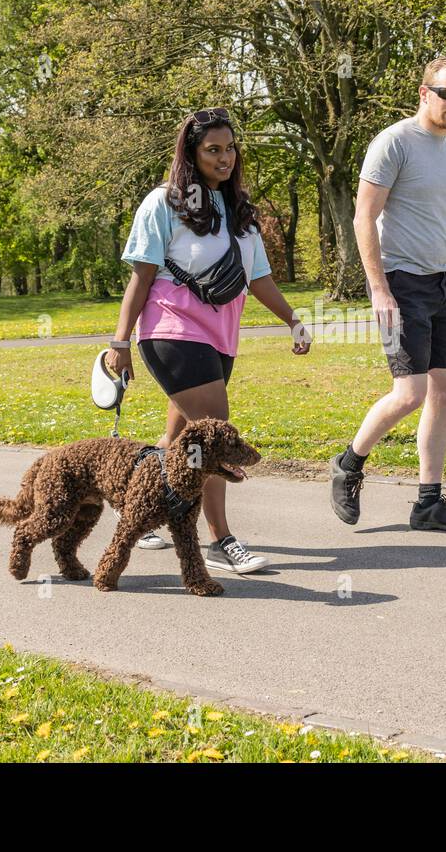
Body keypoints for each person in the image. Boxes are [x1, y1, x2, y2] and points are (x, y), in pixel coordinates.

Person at [108, 106, 311, 571]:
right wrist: (119, 342)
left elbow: (258, 278)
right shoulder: (163, 202)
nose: (224, 158)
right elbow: (141, 276)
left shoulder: (240, 211)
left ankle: (133, 506)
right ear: (192, 153)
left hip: (221, 334)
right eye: (212, 150)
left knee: (181, 437)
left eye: (230, 148)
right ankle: (220, 540)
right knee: (215, 434)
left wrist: (292, 320)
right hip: (169, 326)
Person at [329, 57, 446, 533]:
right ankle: (349, 464)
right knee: (410, 392)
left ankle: (428, 504)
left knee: (443, 391)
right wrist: (378, 289)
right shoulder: (393, 143)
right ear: (424, 93)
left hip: (439, 285)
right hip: (401, 285)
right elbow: (362, 217)